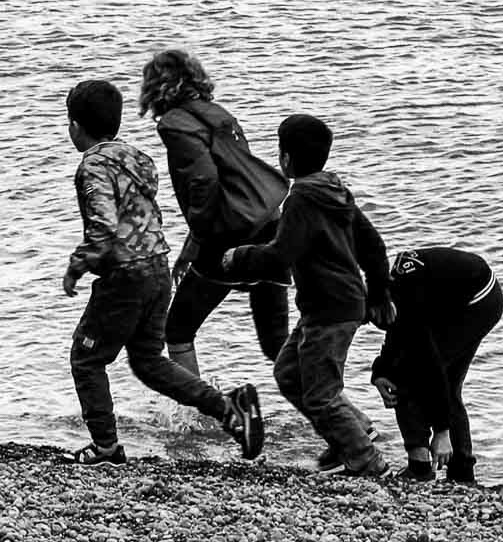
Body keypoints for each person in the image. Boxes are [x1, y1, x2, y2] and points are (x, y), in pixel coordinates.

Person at [59, 79, 264, 465]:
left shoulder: (92, 165)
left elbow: (103, 226)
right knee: (149, 361)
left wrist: (78, 265)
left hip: (125, 276)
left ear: (74, 126)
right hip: (157, 269)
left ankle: (105, 447)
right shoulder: (139, 158)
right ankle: (228, 409)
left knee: (86, 360)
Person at [223, 113, 391, 477]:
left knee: (320, 393)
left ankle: (366, 459)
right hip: (332, 305)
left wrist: (240, 257)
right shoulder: (335, 192)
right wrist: (378, 294)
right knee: (288, 373)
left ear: (285, 158)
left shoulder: (301, 197)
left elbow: (282, 254)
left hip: (330, 308)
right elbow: (373, 246)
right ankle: (352, 432)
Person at [138, 49, 283, 446]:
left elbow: (203, 185)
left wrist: (198, 240)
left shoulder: (175, 124)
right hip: (270, 228)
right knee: (276, 343)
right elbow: (241, 182)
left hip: (226, 238)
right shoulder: (219, 114)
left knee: (177, 329)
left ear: (156, 87)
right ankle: (353, 424)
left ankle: (212, 417)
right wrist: (190, 245)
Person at [369, 246, 503, 484]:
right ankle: (460, 473)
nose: (374, 325)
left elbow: (430, 365)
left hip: (479, 300)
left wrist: (441, 432)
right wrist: (380, 371)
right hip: (452, 297)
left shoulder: (407, 298)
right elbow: (397, 331)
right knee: (414, 372)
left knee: (416, 374)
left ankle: (424, 467)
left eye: (371, 319)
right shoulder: (391, 294)